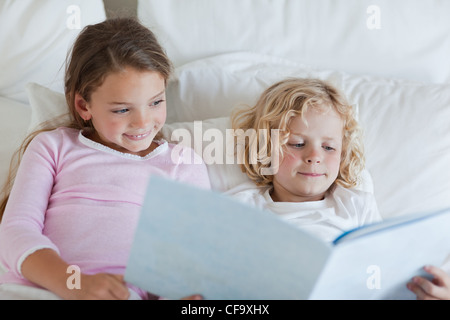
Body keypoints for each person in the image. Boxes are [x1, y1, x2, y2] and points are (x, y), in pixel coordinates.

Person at [0, 18, 209, 300]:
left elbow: (188, 258)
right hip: (40, 290)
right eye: (123, 110)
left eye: (156, 102)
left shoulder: (182, 163)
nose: (143, 122)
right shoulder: (53, 147)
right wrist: (75, 284)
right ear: (84, 105)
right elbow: (15, 232)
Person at [227, 78, 382, 243]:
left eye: (328, 147)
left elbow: (384, 259)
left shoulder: (357, 206)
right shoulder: (241, 207)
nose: (314, 157)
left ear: (343, 153)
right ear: (265, 148)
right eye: (297, 144)